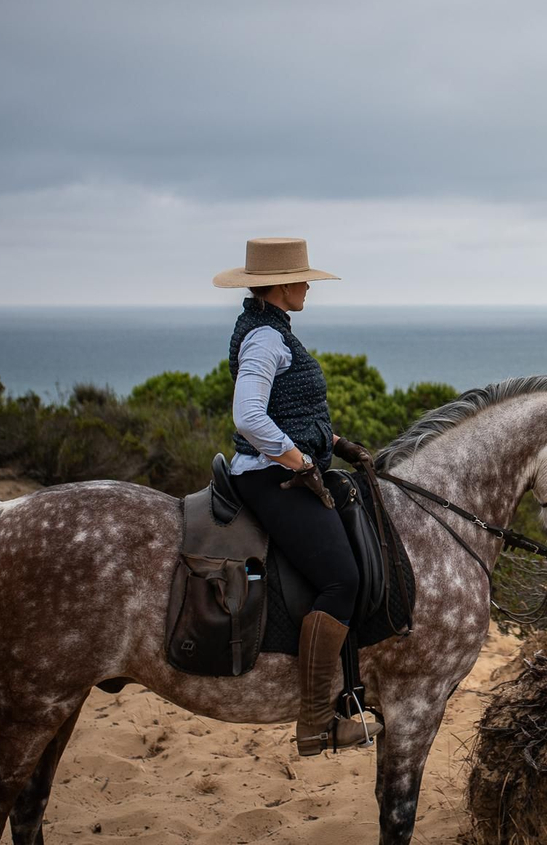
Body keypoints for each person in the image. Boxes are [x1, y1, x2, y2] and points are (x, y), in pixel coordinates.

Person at [212, 236, 382, 754]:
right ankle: (314, 722)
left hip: (281, 466)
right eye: (303, 277)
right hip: (269, 476)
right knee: (342, 578)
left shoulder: (272, 329)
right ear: (282, 284)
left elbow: (290, 409)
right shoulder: (266, 338)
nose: (309, 284)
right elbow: (249, 417)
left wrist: (333, 443)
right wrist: (297, 459)